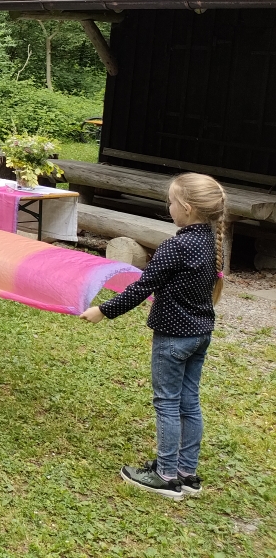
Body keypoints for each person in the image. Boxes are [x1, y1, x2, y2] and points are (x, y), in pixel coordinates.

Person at [80, 173, 226, 500]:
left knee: (168, 403)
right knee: (189, 402)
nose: (169, 207)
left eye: (172, 202)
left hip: (174, 338)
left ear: (187, 208)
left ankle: (165, 475)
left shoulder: (176, 246)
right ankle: (187, 474)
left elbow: (143, 288)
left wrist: (103, 311)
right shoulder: (208, 241)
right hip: (200, 334)